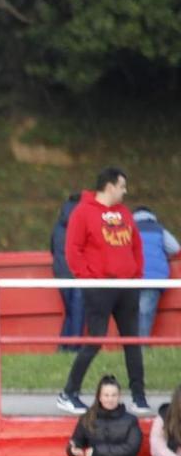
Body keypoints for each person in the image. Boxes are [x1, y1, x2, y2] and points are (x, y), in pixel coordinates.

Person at [59, 167, 149, 415]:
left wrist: (136, 277)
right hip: (99, 287)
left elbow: (136, 246)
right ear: (110, 186)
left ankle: (139, 397)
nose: (125, 191)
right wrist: (90, 279)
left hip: (127, 287)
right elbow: (73, 250)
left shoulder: (124, 213)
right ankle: (68, 393)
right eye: (122, 186)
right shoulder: (83, 213)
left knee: (133, 342)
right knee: (95, 339)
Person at [132, 205, 177, 341]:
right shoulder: (160, 230)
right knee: (145, 313)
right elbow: (175, 249)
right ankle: (141, 346)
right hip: (154, 279)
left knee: (131, 313)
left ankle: (132, 346)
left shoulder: (127, 229)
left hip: (132, 278)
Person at [50, 193, 83, 349]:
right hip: (77, 273)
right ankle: (74, 347)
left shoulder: (58, 224)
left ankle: (63, 347)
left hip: (61, 272)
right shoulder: (83, 221)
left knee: (69, 311)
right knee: (78, 312)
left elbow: (52, 248)